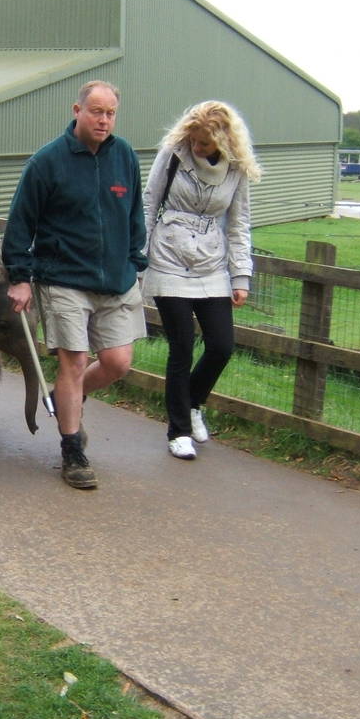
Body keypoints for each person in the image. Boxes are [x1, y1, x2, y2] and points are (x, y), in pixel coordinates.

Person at [3, 80, 147, 490]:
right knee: (75, 361)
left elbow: (135, 212)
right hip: (64, 278)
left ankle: (66, 396)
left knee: (118, 362)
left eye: (110, 113)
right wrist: (20, 277)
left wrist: (136, 260)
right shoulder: (47, 163)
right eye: (96, 111)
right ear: (77, 110)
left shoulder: (124, 158)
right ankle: (72, 449)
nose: (104, 120)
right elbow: (20, 224)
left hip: (116, 280)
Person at [142, 100, 262, 460]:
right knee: (181, 346)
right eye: (194, 141)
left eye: (205, 144)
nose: (197, 148)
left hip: (211, 261)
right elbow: (149, 203)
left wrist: (240, 275)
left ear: (223, 142)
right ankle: (178, 430)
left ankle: (193, 403)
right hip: (168, 256)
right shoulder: (173, 154)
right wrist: (138, 260)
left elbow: (239, 223)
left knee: (222, 345)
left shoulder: (236, 169)